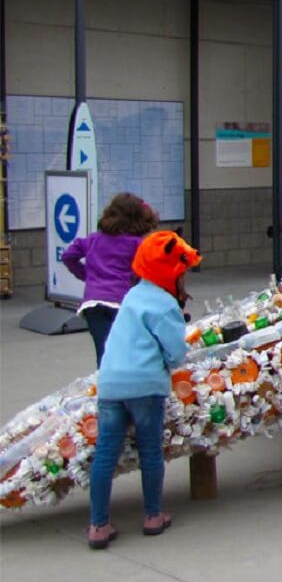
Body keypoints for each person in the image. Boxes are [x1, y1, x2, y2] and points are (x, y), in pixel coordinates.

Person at [88, 230, 201, 550]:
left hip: (110, 383)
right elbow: (176, 354)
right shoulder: (165, 305)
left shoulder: (133, 296)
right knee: (150, 450)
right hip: (145, 386)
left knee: (106, 453)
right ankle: (153, 515)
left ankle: (98, 524)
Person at [61, 193, 159, 366]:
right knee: (127, 351)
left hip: (93, 304)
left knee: (104, 353)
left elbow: (68, 256)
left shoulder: (92, 239)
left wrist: (87, 275)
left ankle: (105, 387)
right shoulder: (137, 244)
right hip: (123, 303)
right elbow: (149, 273)